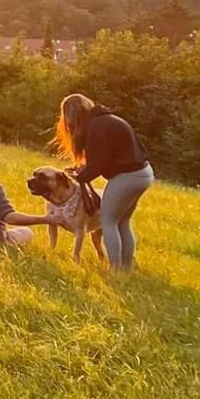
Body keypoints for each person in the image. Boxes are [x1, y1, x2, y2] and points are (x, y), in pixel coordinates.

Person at [56, 93, 155, 270]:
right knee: (122, 221)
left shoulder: (96, 128)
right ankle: (126, 268)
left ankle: (115, 268)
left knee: (108, 220)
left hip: (127, 177)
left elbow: (99, 163)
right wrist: (85, 170)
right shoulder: (108, 120)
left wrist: (80, 177)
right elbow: (109, 156)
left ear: (71, 115)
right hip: (144, 173)